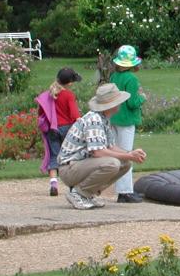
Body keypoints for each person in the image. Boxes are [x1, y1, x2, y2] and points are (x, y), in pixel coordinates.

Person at [57, 83, 148, 210]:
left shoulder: (103, 119)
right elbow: (98, 152)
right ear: (112, 104)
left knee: (125, 163)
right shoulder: (94, 119)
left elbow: (110, 147)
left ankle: (88, 194)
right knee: (112, 164)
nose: (120, 104)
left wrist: (131, 154)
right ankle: (79, 193)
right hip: (69, 169)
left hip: (79, 166)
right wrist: (129, 155)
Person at [35, 67, 83, 197]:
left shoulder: (49, 94)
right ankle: (72, 186)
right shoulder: (69, 95)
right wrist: (82, 123)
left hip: (52, 129)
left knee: (54, 156)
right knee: (70, 157)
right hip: (67, 129)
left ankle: (53, 184)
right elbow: (74, 114)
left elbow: (41, 112)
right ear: (70, 83)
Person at [109, 44, 147, 203]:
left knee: (118, 154)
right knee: (127, 154)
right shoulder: (131, 78)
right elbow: (132, 102)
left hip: (114, 118)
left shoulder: (114, 77)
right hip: (126, 120)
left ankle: (123, 190)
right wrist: (142, 98)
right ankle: (124, 192)